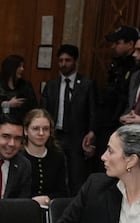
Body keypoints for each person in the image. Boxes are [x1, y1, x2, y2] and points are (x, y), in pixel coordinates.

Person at [40, 44, 98, 194]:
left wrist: (91, 132)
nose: (63, 64)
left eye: (67, 60)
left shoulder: (86, 84)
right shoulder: (51, 86)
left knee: (76, 177)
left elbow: (93, 111)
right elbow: (43, 111)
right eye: (60, 60)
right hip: (55, 136)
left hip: (76, 138)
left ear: (75, 61)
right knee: (54, 175)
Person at [97, 26, 140, 152]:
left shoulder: (136, 69)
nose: (113, 47)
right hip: (107, 119)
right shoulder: (118, 64)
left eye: (117, 43)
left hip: (121, 122)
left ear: (130, 44)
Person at [21, 109, 68, 206]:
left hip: (50, 209)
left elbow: (63, 192)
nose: (41, 133)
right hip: (23, 210)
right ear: (26, 130)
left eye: (46, 129)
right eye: (35, 128)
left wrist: (48, 199)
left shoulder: (57, 156)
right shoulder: (18, 157)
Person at [0, 55, 37, 122]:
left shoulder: (26, 85)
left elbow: (34, 107)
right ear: (10, 68)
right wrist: (7, 104)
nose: (22, 69)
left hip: (20, 123)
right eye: (19, 66)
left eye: (23, 66)